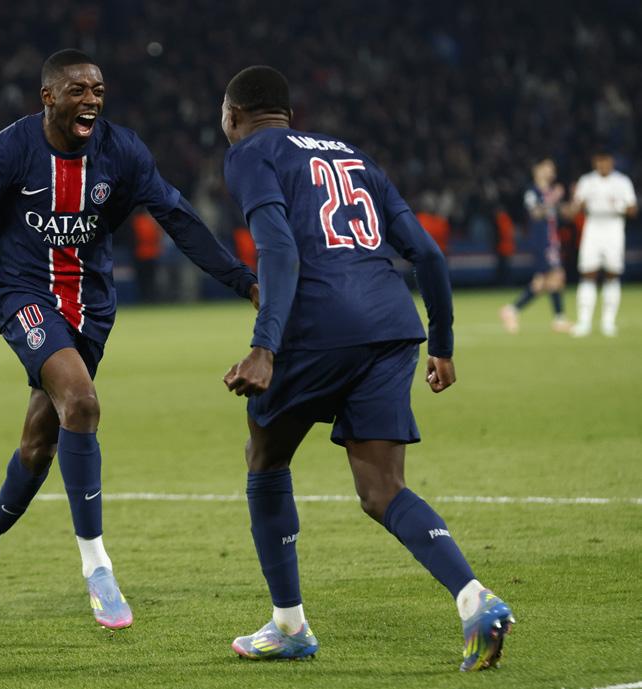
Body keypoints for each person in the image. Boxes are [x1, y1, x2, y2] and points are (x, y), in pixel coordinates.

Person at [0, 49, 258, 629]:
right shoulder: (8, 149)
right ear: (48, 97)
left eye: (98, 91)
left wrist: (243, 281)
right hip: (23, 294)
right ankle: (97, 567)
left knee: (39, 445)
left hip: (91, 307)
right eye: (78, 91)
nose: (91, 101)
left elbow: (179, 218)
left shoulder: (122, 151)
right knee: (82, 403)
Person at [218, 66, 514, 671]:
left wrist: (264, 345)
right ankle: (473, 597)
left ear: (233, 116)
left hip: (320, 323)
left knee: (265, 457)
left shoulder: (249, 153)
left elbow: (278, 248)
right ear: (289, 114)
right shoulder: (350, 154)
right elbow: (426, 253)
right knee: (383, 490)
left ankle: (289, 625)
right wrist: (442, 345)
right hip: (391, 325)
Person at [569, 151, 638, 337]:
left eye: (605, 161)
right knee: (588, 273)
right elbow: (576, 206)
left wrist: (617, 206)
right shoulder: (587, 181)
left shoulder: (622, 182)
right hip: (593, 227)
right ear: (594, 162)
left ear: (611, 161)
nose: (602, 165)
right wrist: (574, 206)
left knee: (612, 274)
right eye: (599, 161)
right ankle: (584, 322)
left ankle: (608, 322)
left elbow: (633, 209)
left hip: (614, 228)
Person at [499, 158, 571, 333]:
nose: (551, 172)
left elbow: (564, 214)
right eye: (547, 168)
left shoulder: (550, 192)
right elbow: (535, 213)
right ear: (537, 170)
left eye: (552, 169)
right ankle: (559, 319)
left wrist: (573, 200)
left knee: (542, 283)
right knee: (556, 276)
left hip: (551, 240)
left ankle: (511, 310)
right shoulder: (532, 192)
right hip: (542, 241)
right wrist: (554, 198)